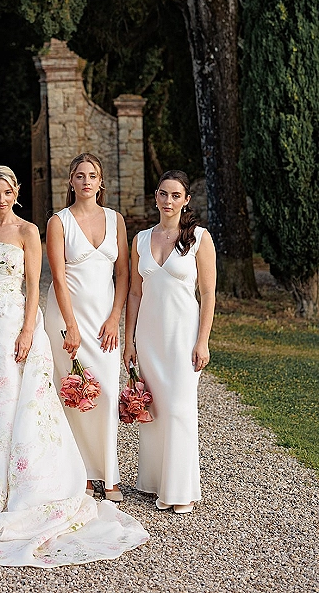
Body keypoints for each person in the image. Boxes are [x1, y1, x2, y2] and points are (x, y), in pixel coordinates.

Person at [0, 165, 148, 567]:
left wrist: (28, 329)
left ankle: (18, 480)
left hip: (12, 322)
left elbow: (35, 284)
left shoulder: (27, 231)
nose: (1, 198)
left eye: (7, 191)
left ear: (17, 193)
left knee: (9, 399)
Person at [123, 169, 216, 514]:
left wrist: (202, 341)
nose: (168, 201)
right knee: (156, 409)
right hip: (148, 335)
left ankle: (180, 489)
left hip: (182, 334)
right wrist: (129, 339)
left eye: (176, 195)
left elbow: (207, 294)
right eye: (163, 194)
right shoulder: (140, 240)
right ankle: (153, 481)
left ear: (186, 200)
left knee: (179, 409)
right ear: (156, 196)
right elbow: (134, 292)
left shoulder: (200, 239)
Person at [45, 153, 128, 501]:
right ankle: (80, 473)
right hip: (67, 317)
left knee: (106, 392)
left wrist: (114, 318)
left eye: (92, 175)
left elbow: (123, 274)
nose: (86, 181)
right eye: (79, 175)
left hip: (104, 320)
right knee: (73, 393)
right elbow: (59, 279)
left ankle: (108, 475)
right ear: (71, 182)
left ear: (101, 181)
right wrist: (71, 325)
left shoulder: (116, 219)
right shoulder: (58, 222)